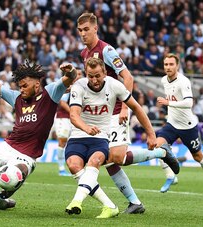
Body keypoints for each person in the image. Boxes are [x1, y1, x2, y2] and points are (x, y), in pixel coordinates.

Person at [0, 35, 77, 210]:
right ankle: (3, 202)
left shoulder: (49, 94)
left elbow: (69, 78)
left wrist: (70, 70)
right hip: (7, 147)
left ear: (36, 85)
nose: (21, 89)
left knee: (12, 176)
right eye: (19, 86)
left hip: (27, 156)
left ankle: (15, 179)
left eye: (24, 85)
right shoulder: (17, 98)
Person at [65, 57, 179, 218]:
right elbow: (74, 115)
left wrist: (151, 134)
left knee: (114, 158)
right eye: (90, 76)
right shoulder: (81, 78)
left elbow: (135, 102)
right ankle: (129, 201)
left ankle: (80, 202)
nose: (94, 80)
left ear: (105, 72)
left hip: (109, 125)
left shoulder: (107, 56)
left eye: (98, 75)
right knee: (102, 161)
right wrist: (86, 127)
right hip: (81, 134)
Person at [76, 12, 150, 214]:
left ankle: (160, 153)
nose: (83, 34)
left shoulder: (106, 50)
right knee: (107, 158)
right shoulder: (84, 54)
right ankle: (135, 202)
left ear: (95, 29)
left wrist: (125, 107)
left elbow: (128, 77)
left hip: (117, 110)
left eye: (86, 30)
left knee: (115, 157)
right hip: (99, 115)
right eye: (80, 30)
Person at [156, 53, 203, 198]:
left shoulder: (183, 81)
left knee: (198, 156)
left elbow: (189, 103)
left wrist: (168, 103)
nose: (168, 67)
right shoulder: (163, 80)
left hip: (187, 126)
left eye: (171, 64)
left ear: (177, 66)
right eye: (166, 64)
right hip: (172, 123)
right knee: (158, 146)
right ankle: (170, 176)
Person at [54, 68, 83, 176]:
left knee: (73, 142)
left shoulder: (82, 88)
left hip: (73, 119)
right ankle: (61, 168)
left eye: (81, 74)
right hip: (63, 118)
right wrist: (73, 112)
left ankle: (75, 165)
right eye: (78, 74)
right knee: (62, 141)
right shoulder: (69, 87)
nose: (79, 76)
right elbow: (62, 102)